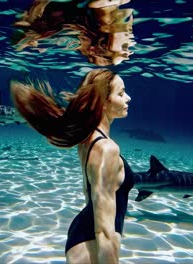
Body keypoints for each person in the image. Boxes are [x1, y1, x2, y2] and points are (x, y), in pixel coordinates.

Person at [11, 68, 135, 263]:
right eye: (121, 93)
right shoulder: (106, 148)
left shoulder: (88, 137)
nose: (128, 98)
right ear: (102, 102)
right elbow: (104, 231)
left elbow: (89, 193)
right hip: (92, 243)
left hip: (84, 236)